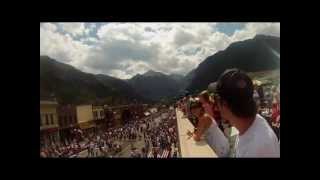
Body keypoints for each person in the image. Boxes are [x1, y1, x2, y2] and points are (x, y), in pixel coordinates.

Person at [210, 68, 280, 157]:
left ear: (224, 104)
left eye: (216, 99)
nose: (216, 107)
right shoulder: (256, 121)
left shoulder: (256, 148)